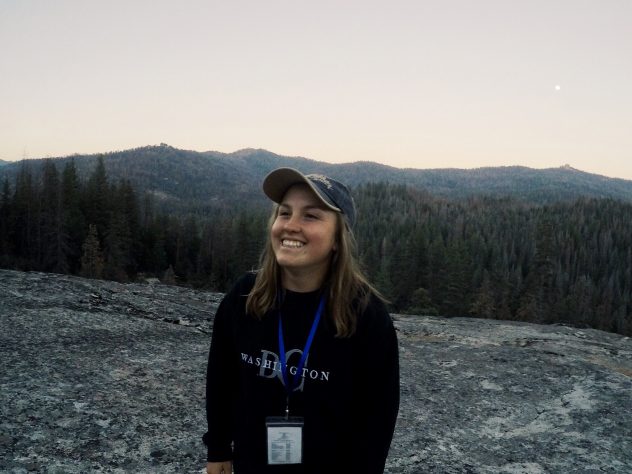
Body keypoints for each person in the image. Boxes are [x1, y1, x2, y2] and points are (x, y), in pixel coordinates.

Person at [203, 168, 400, 474]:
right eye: (284, 213)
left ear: (338, 239)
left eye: (311, 216)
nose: (291, 225)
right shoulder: (244, 296)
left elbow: (377, 419)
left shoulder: (366, 315)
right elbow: (221, 378)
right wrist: (218, 449)